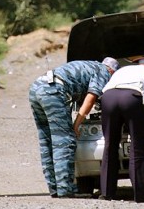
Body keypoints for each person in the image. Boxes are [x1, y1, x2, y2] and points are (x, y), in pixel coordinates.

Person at [29, 57, 119, 198]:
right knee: (64, 140)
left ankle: (54, 188)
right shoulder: (104, 72)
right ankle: (66, 189)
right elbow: (90, 100)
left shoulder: (90, 66)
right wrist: (76, 124)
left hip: (36, 88)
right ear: (112, 72)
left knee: (46, 140)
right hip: (53, 91)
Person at [99, 57, 144, 203]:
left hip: (108, 98)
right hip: (132, 98)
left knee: (110, 145)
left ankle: (106, 193)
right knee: (137, 147)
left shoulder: (122, 70)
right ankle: (140, 195)